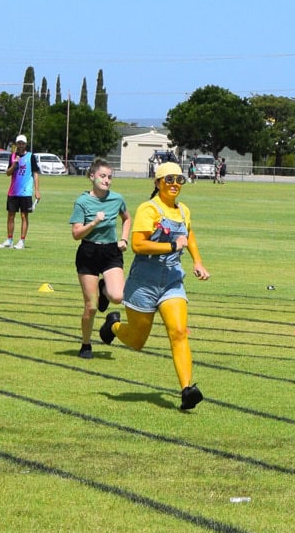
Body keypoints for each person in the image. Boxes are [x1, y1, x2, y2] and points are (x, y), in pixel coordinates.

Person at [97, 162, 211, 409]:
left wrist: (197, 261)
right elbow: (138, 245)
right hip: (143, 284)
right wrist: (172, 246)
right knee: (137, 341)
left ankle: (187, 389)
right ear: (158, 182)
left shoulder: (183, 211)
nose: (174, 184)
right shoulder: (149, 209)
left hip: (172, 282)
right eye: (169, 179)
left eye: (179, 179)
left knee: (179, 332)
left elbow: (188, 234)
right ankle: (113, 325)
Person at [69, 160, 131, 360]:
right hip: (88, 252)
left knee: (118, 297)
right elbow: (76, 234)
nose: (107, 180)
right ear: (92, 177)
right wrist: (94, 222)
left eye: (110, 177)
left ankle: (104, 288)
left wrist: (124, 239)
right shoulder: (82, 202)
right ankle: (86, 344)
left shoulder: (117, 199)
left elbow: (127, 218)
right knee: (91, 306)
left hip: (111, 252)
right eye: (102, 176)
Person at [0, 134, 41, 250]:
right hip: (13, 191)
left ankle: (22, 241)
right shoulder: (12, 156)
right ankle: (9, 240)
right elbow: (8, 173)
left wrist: (37, 190)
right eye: (19, 143)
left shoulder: (30, 157)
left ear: (25, 144)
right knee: (10, 216)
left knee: (24, 216)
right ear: (16, 144)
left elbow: (35, 174)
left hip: (26, 192)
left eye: (22, 143)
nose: (21, 145)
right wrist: (14, 164)